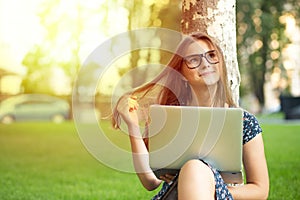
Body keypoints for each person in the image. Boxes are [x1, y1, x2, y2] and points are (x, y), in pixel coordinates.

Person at [112, 32, 269, 200]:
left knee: (195, 168)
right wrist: (133, 126)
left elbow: (260, 191)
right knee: (194, 168)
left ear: (221, 63)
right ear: (182, 74)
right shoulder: (170, 118)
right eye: (194, 59)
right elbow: (151, 181)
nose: (206, 63)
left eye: (211, 56)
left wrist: (209, 187)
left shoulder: (244, 122)